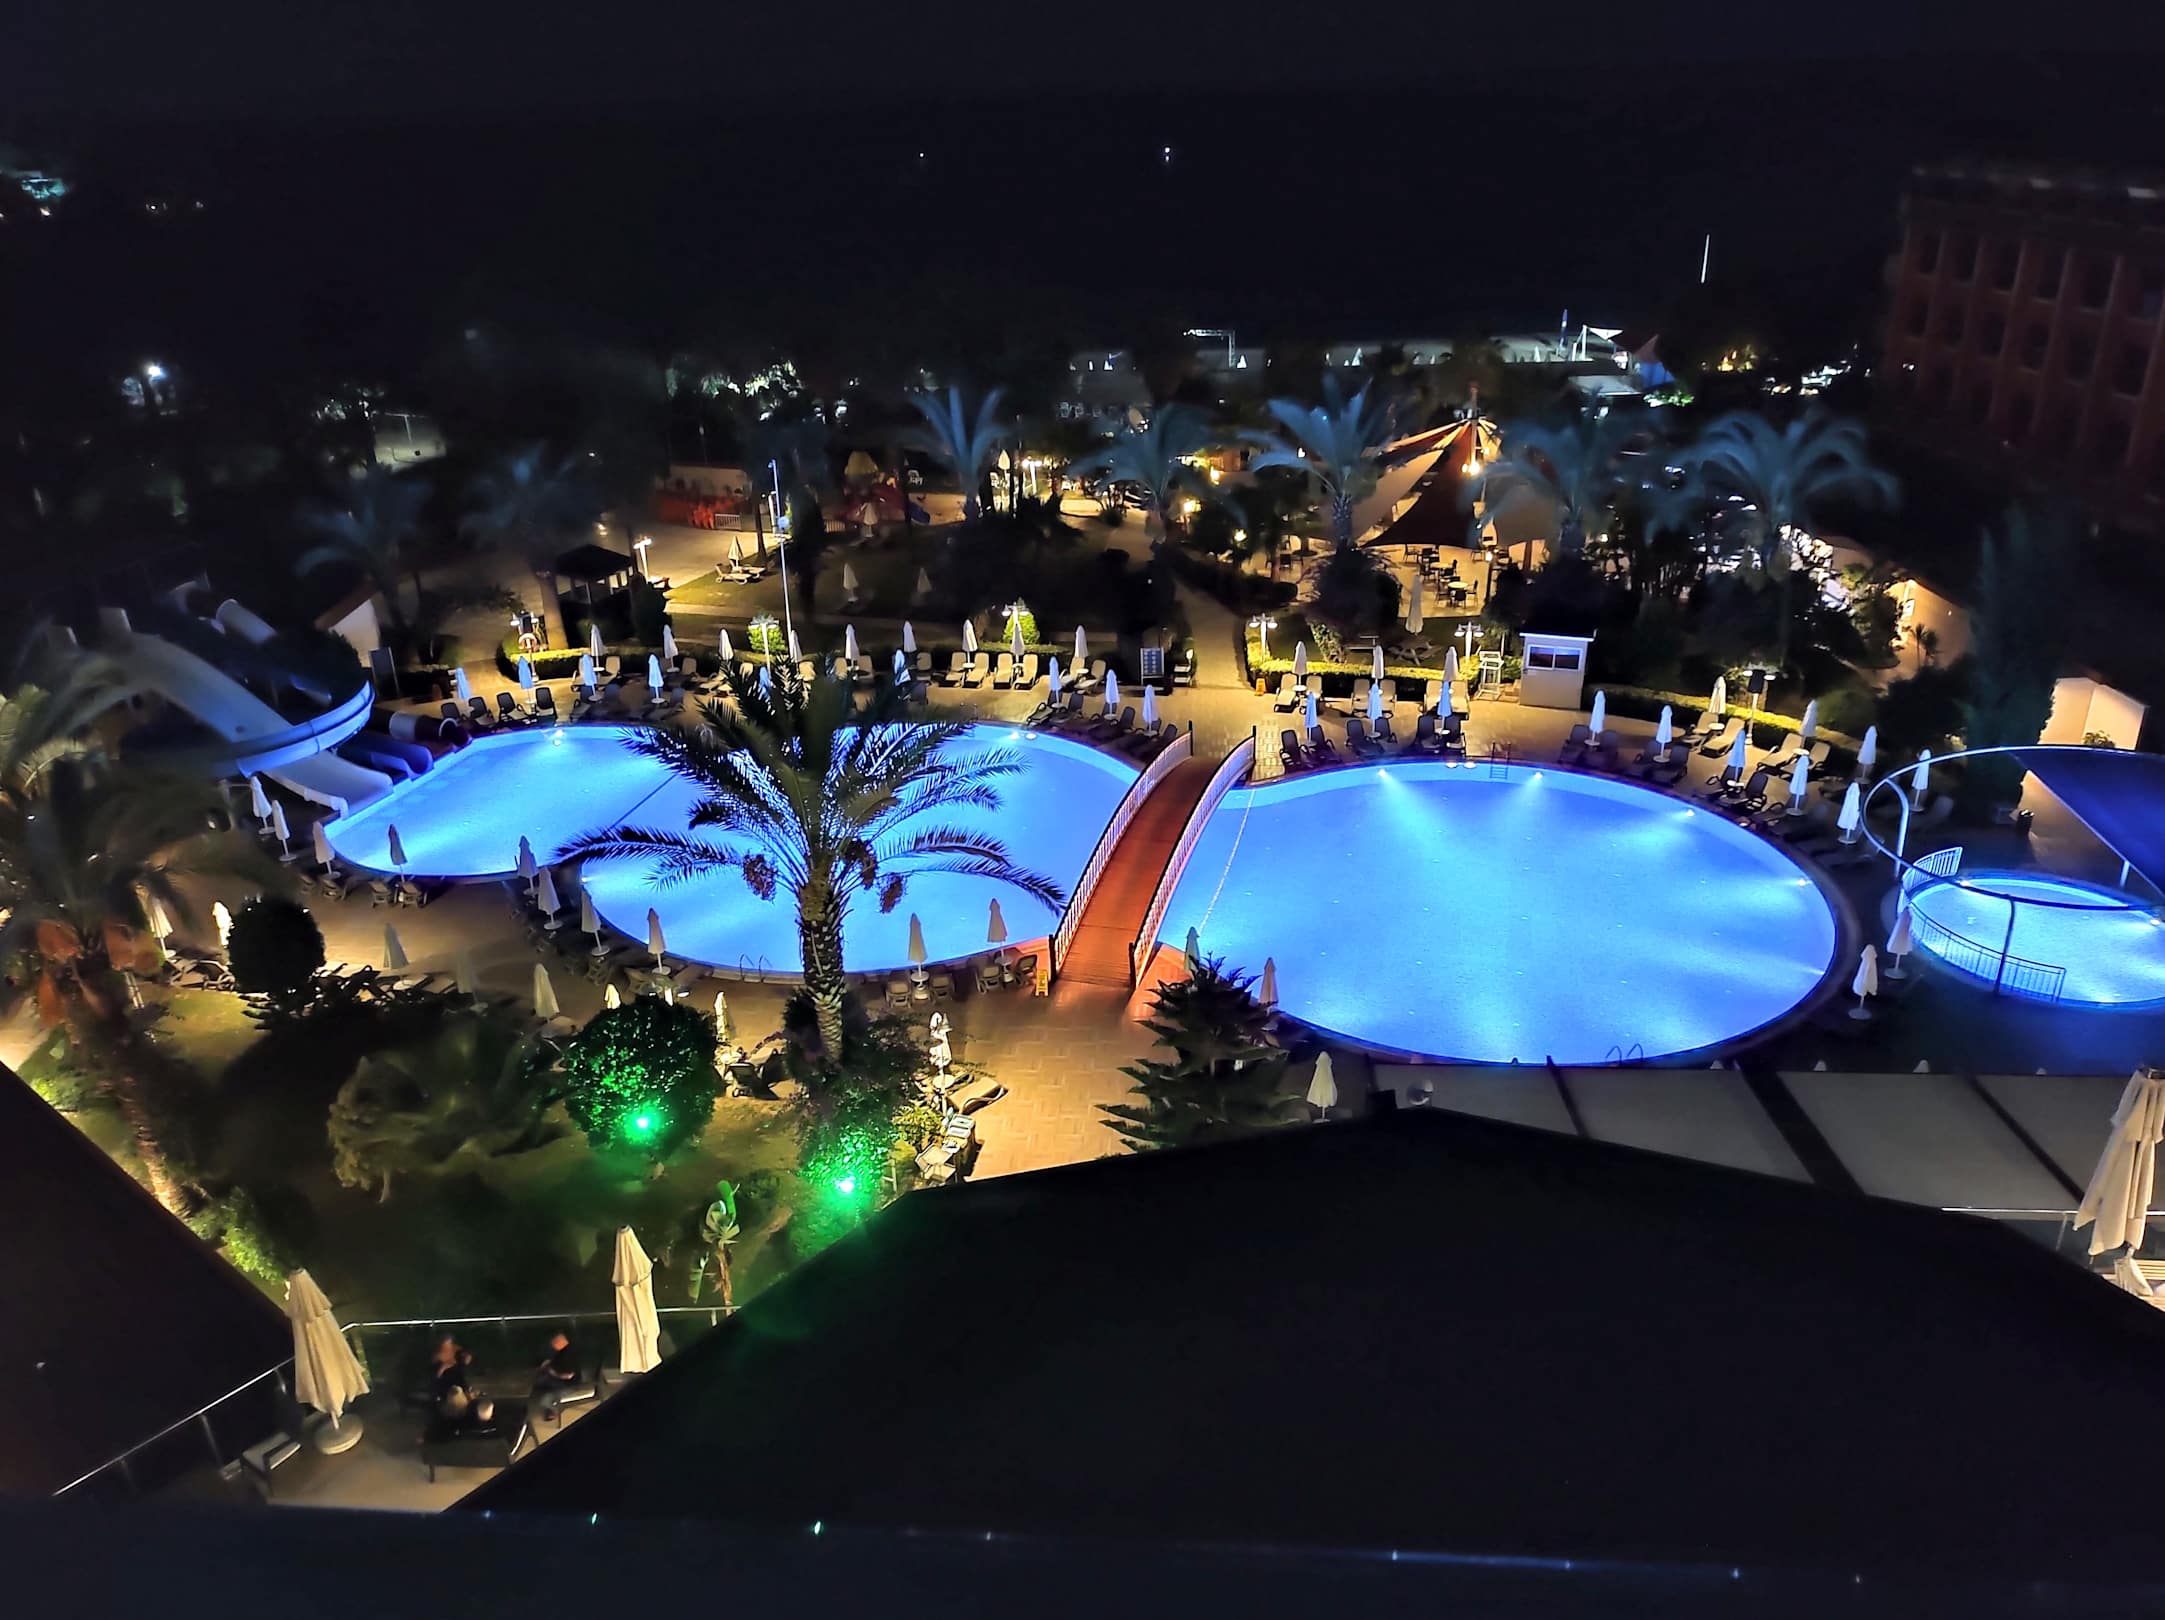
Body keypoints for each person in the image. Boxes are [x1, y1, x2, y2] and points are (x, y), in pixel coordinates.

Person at [531, 1328, 581, 1417]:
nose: (553, 1342)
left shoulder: (569, 1355)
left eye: (557, 1340)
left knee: (544, 1400)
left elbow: (569, 1376)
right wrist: (546, 1363)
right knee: (538, 1381)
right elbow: (551, 1360)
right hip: (558, 1378)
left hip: (568, 1385)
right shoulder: (559, 1351)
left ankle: (554, 1411)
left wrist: (552, 1372)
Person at [430, 1335, 476, 1421]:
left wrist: (465, 1358)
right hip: (445, 1381)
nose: (448, 1347)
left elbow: (465, 1357)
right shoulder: (438, 1356)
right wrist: (443, 1367)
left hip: (457, 1377)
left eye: (449, 1343)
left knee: (460, 1377)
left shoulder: (457, 1350)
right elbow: (436, 1376)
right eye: (445, 1344)